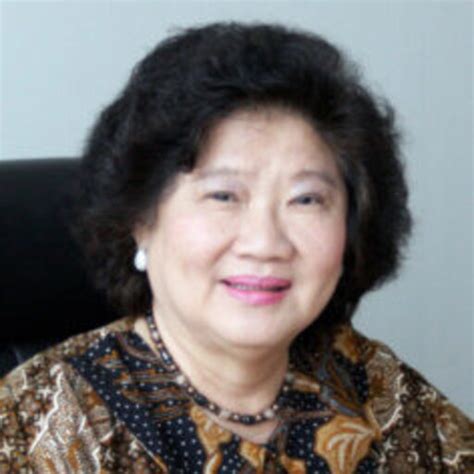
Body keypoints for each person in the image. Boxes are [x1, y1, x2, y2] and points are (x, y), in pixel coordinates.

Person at [0, 22, 472, 473]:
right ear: (140, 221)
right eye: (224, 196)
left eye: (306, 199)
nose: (265, 243)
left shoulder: (372, 385)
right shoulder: (35, 430)